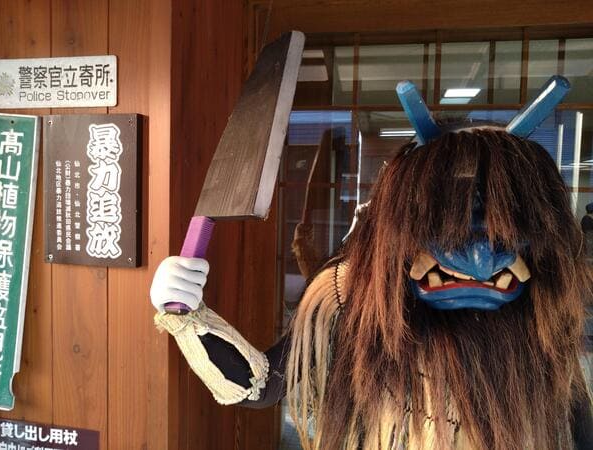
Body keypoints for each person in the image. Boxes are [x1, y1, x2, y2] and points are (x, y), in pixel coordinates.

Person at [150, 81, 593, 450]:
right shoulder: (350, 292)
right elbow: (260, 385)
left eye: (499, 231)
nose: (478, 259)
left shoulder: (544, 308)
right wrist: (186, 313)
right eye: (447, 224)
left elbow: (577, 419)